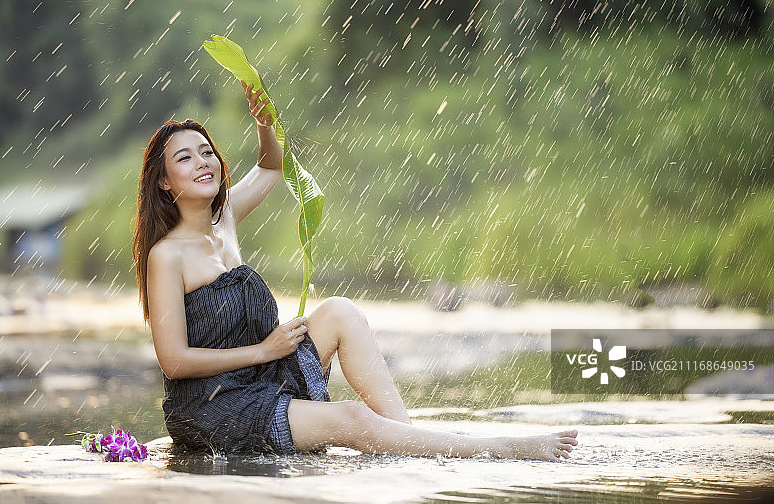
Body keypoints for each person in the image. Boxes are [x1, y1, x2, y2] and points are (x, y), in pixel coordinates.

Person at [132, 80, 578, 460]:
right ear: (164, 181)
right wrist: (263, 351)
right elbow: (173, 361)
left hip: (259, 379)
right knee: (351, 417)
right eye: (185, 158)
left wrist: (264, 125)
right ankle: (502, 449)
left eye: (206, 152)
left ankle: (409, 439)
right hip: (213, 407)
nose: (203, 161)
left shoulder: (224, 220)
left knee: (340, 311)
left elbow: (271, 165)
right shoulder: (166, 256)